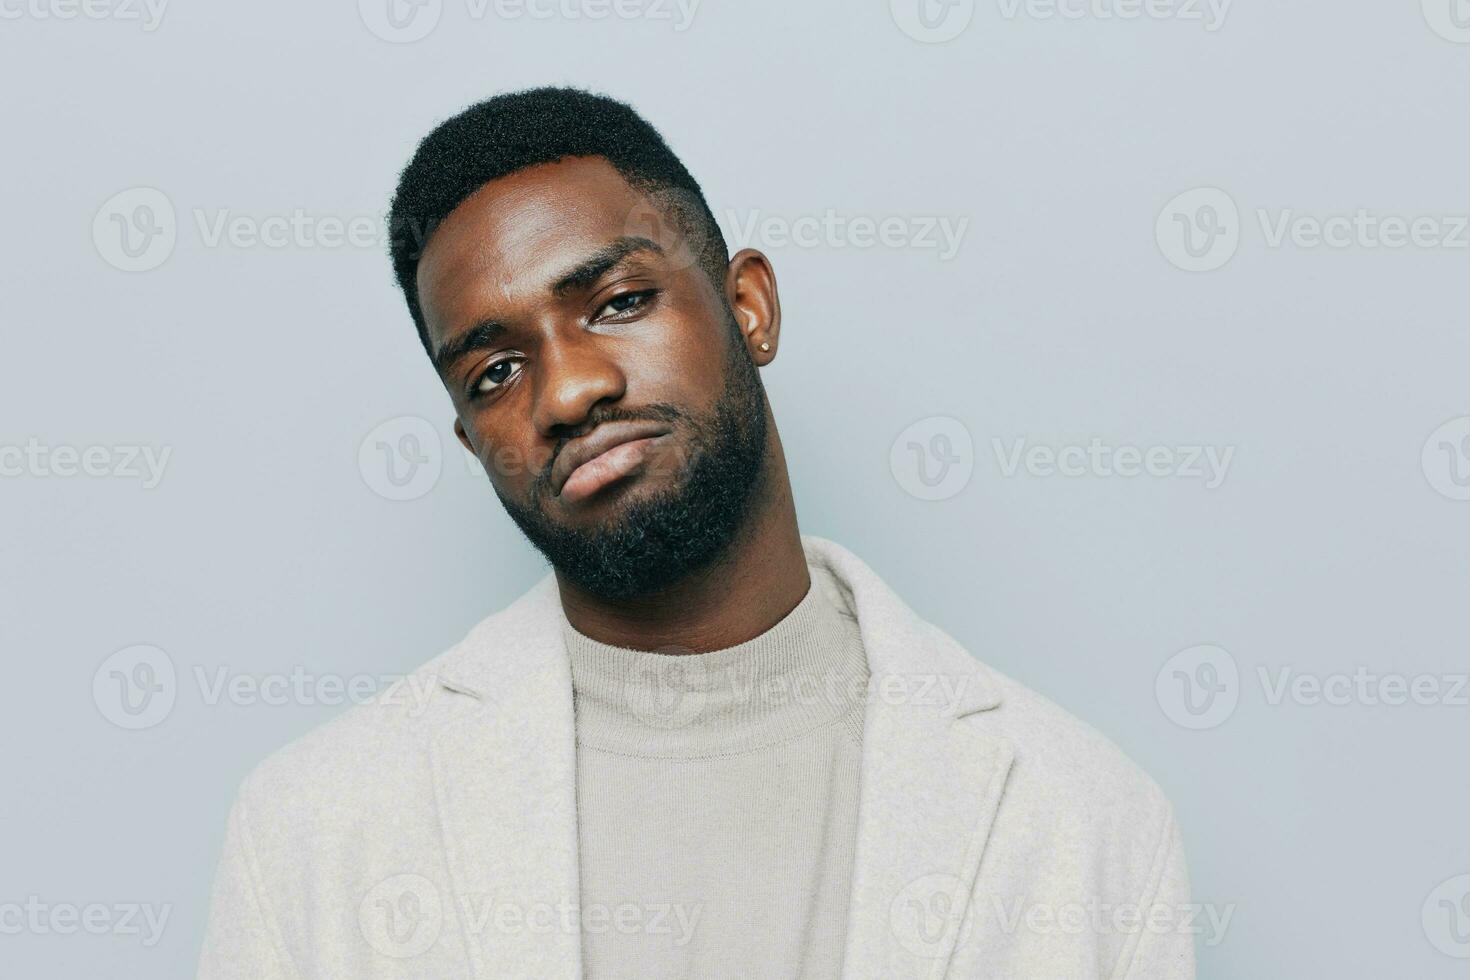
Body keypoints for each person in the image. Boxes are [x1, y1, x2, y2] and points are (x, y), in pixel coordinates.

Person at [198, 86, 1194, 979]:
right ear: (470, 439)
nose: (571, 389)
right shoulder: (313, 831)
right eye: (494, 371)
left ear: (748, 305)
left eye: (619, 302)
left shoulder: (1080, 819)